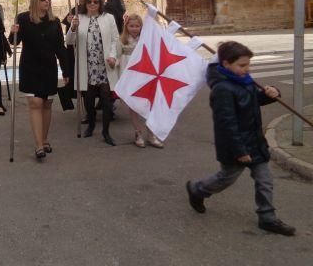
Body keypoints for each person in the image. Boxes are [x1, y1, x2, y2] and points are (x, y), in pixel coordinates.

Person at [186, 41, 295, 236]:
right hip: (235, 146)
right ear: (226, 64)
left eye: (248, 65)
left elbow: (253, 101)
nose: (247, 69)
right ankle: (198, 189)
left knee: (264, 180)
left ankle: (267, 217)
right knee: (226, 178)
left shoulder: (244, 80)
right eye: (242, 65)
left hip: (255, 141)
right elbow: (226, 124)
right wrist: (240, 151)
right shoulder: (222, 90)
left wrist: (271, 94)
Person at [10, 0, 69, 159]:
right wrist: (13, 32)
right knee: (36, 102)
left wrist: (65, 70)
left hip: (48, 67)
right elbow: (14, 42)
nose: (47, 1)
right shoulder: (23, 18)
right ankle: (38, 145)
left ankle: (44, 139)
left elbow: (60, 47)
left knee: (47, 103)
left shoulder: (55, 22)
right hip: (30, 67)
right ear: (35, 0)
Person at [67, 0, 120, 146]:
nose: (92, 4)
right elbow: (69, 41)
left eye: (95, 2)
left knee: (106, 99)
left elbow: (115, 39)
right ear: (85, 4)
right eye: (89, 2)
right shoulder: (79, 19)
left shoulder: (108, 18)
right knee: (89, 99)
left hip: (104, 64)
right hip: (88, 64)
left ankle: (106, 131)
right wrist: (73, 27)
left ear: (100, 3)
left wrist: (113, 56)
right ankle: (91, 124)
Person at [117, 14, 163, 149]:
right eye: (131, 26)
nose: (134, 29)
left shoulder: (145, 40)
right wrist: (114, 60)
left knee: (149, 105)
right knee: (133, 106)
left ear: (141, 27)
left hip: (144, 75)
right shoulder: (122, 40)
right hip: (129, 76)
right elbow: (116, 54)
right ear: (126, 26)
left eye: (137, 26)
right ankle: (138, 133)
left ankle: (151, 134)